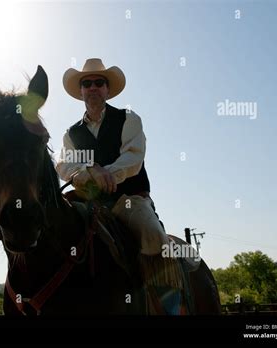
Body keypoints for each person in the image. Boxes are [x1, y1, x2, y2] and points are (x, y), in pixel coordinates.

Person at [56, 58, 184, 314]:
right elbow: (63, 166)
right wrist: (87, 172)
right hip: (89, 204)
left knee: (152, 236)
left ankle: (171, 307)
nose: (93, 87)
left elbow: (133, 159)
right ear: (81, 91)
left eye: (99, 82)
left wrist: (105, 173)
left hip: (128, 200)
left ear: (107, 89)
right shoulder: (71, 134)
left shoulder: (128, 119)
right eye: (87, 83)